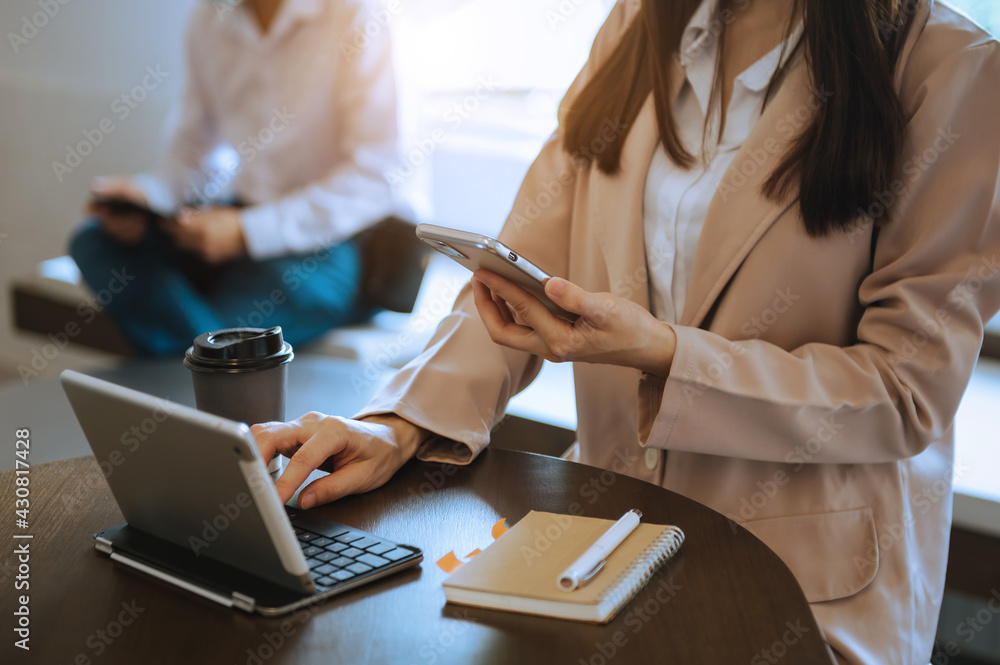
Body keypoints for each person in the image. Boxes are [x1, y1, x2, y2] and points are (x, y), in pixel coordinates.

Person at [252, 0, 1000, 662]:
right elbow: (519, 276)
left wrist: (664, 353)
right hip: (598, 546)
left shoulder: (953, 70)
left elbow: (903, 392)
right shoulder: (637, 27)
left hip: (802, 581)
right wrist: (400, 421)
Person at [69, 0, 405, 356]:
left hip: (336, 244)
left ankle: (202, 358)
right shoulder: (209, 17)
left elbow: (379, 173)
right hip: (240, 221)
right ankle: (206, 357)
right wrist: (148, 198)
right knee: (95, 242)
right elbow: (192, 154)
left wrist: (248, 232)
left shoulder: (358, 14)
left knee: (207, 337)